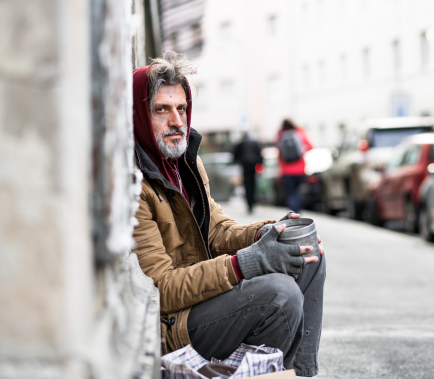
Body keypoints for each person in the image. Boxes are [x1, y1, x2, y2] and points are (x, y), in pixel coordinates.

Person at [131, 52, 326, 377]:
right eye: (161, 110)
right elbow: (162, 289)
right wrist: (246, 263)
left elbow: (218, 231)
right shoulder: (134, 184)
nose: (177, 121)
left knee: (307, 255)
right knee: (280, 295)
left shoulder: (185, 164)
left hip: (204, 297)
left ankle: (298, 374)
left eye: (181, 109)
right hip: (172, 323)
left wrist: (273, 231)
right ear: (140, 115)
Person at [276, 119, 313, 214]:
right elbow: (311, 146)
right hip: (300, 169)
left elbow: (279, 154)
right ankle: (298, 212)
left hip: (286, 171)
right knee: (298, 192)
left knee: (290, 193)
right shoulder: (300, 132)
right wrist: (302, 151)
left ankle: (293, 213)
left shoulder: (280, 135)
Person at [233, 132, 263, 214]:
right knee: (253, 185)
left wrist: (238, 161)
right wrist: (260, 165)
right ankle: (252, 203)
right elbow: (260, 155)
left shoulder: (241, 144)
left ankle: (249, 204)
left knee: (247, 185)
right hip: (253, 166)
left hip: (245, 166)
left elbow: (235, 155)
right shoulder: (254, 143)